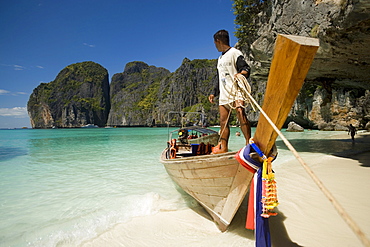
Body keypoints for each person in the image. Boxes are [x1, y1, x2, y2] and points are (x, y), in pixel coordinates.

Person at [209, 29, 251, 154]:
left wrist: (241, 74)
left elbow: (245, 68)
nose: (215, 46)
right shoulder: (220, 59)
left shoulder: (235, 53)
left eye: (215, 43)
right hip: (224, 93)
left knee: (240, 114)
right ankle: (223, 147)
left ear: (218, 41)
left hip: (236, 91)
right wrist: (214, 92)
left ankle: (248, 143)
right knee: (223, 121)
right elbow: (220, 77)